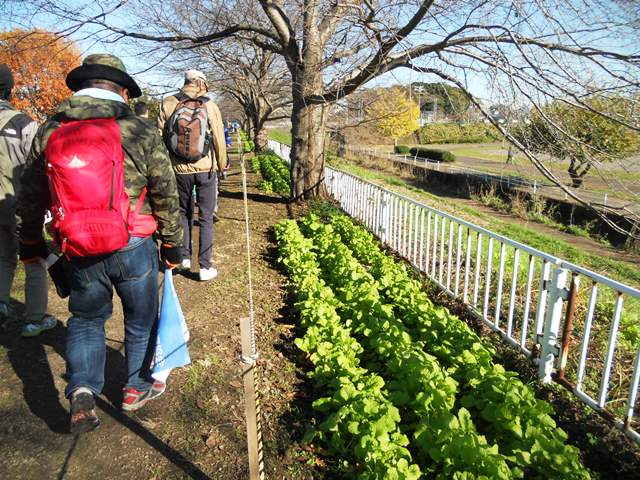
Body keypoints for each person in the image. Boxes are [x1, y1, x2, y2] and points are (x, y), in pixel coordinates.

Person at [17, 54, 183, 433]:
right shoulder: (137, 129)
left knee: (87, 318)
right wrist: (173, 244)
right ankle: (134, 389)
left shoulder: (51, 128)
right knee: (140, 320)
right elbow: (164, 189)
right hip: (133, 243)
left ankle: (82, 390)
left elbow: (32, 193)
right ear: (122, 89)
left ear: (78, 88)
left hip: (77, 245)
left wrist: (30, 240)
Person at [0, 63, 57, 337]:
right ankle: (34, 319)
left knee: (3, 257)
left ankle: (1, 304)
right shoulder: (23, 123)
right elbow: (39, 166)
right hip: (19, 205)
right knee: (34, 260)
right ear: (9, 90)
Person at [158, 69, 227, 281]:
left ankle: (185, 258)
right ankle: (205, 266)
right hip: (206, 168)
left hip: (178, 170)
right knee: (205, 216)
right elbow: (218, 139)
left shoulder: (168, 103)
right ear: (200, 83)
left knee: (183, 213)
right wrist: (221, 165)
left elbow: (159, 136)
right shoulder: (210, 105)